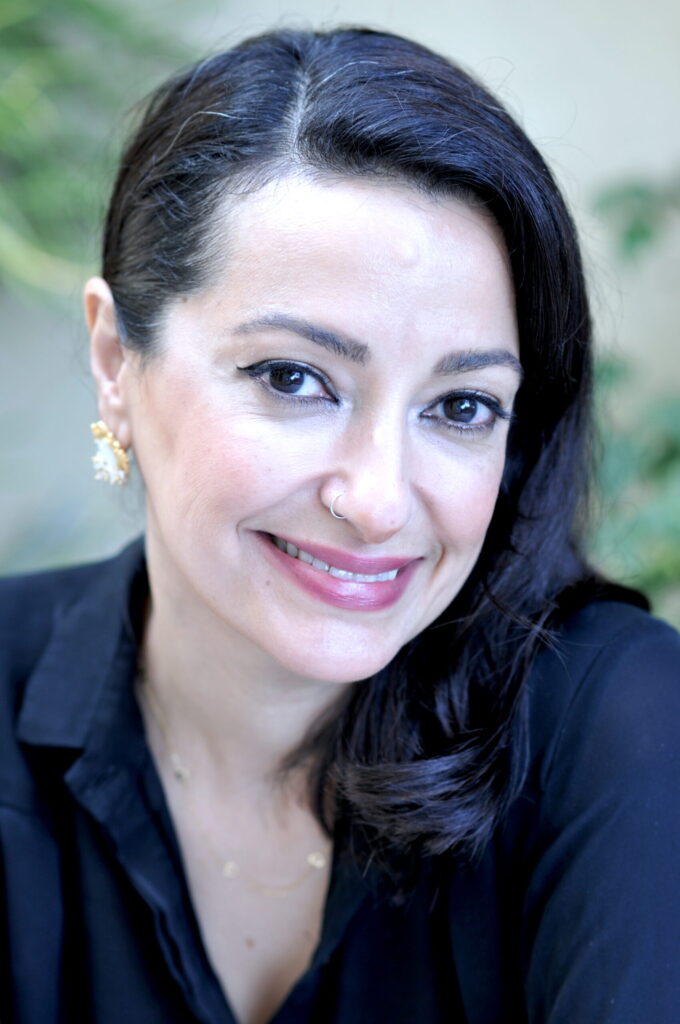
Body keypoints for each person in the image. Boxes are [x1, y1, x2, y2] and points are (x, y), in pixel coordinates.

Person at [1, 25, 679, 1024]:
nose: (376, 499)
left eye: (459, 406)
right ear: (116, 360)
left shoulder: (617, 726)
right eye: (294, 378)